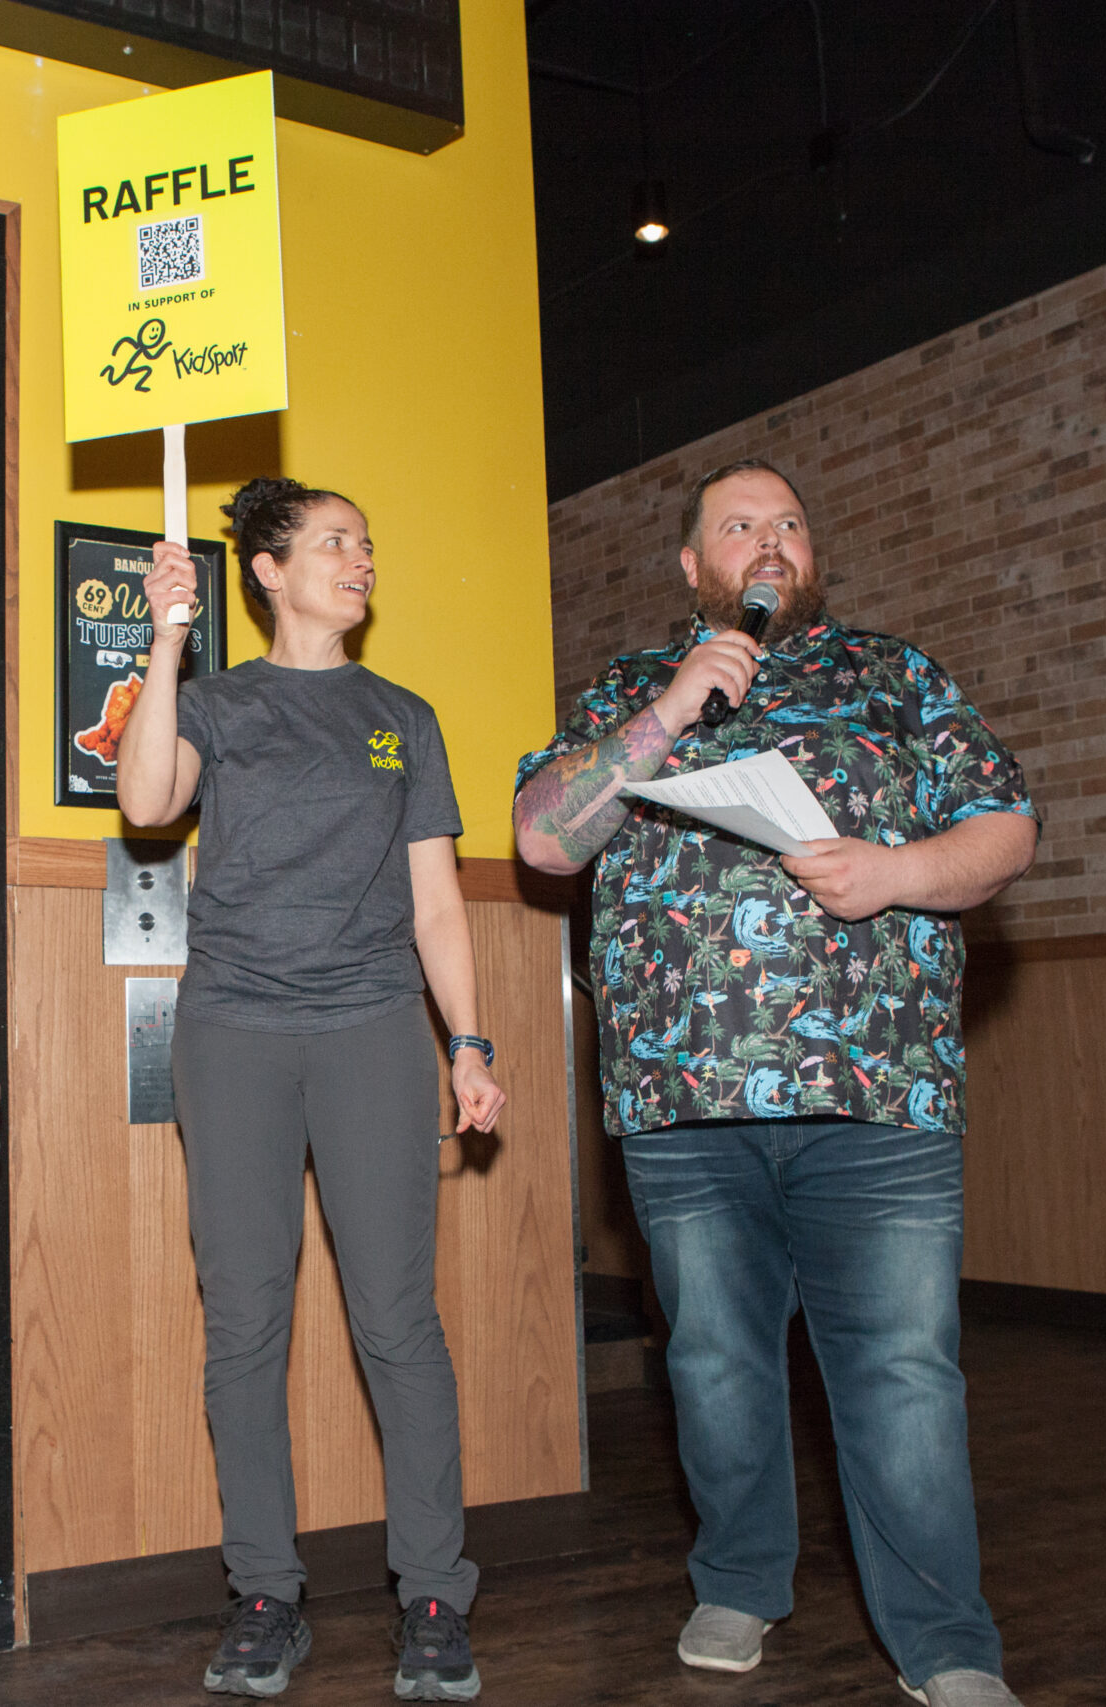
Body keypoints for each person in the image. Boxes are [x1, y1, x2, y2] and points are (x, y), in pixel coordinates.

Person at [511, 461, 1038, 1707]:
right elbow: (541, 837)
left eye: (788, 524)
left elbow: (1005, 827)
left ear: (811, 556)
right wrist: (672, 708)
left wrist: (894, 875)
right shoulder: (631, 690)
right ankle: (739, 1581)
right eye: (738, 525)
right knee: (713, 1363)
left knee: (903, 1372)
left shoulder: (895, 677)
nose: (768, 542)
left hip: (879, 1093)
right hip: (681, 1101)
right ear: (692, 567)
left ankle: (945, 1645)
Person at [114, 478, 509, 1702]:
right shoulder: (216, 702)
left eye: (367, 542)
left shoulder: (403, 718)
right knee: (245, 1323)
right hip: (232, 1031)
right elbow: (145, 803)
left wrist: (469, 1042)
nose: (361, 558)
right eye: (335, 541)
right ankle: (264, 1593)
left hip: (371, 1030)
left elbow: (436, 903)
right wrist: (166, 640)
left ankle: (433, 1593)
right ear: (269, 571)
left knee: (397, 1319)